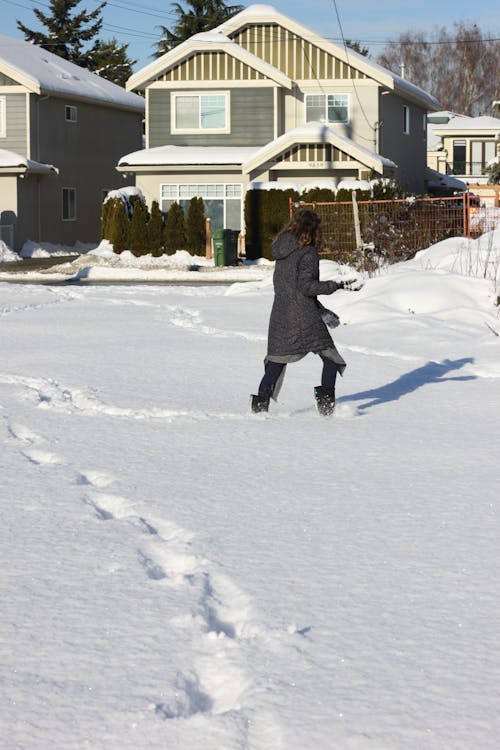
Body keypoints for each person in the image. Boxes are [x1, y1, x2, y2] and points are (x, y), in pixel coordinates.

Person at [250, 208, 360, 416]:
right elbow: (306, 287)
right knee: (330, 356)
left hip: (281, 315)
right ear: (314, 229)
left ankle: (259, 409)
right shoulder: (308, 252)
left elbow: (290, 288)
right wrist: (335, 285)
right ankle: (326, 409)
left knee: (277, 360)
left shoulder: (282, 250)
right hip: (304, 316)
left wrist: (323, 311)